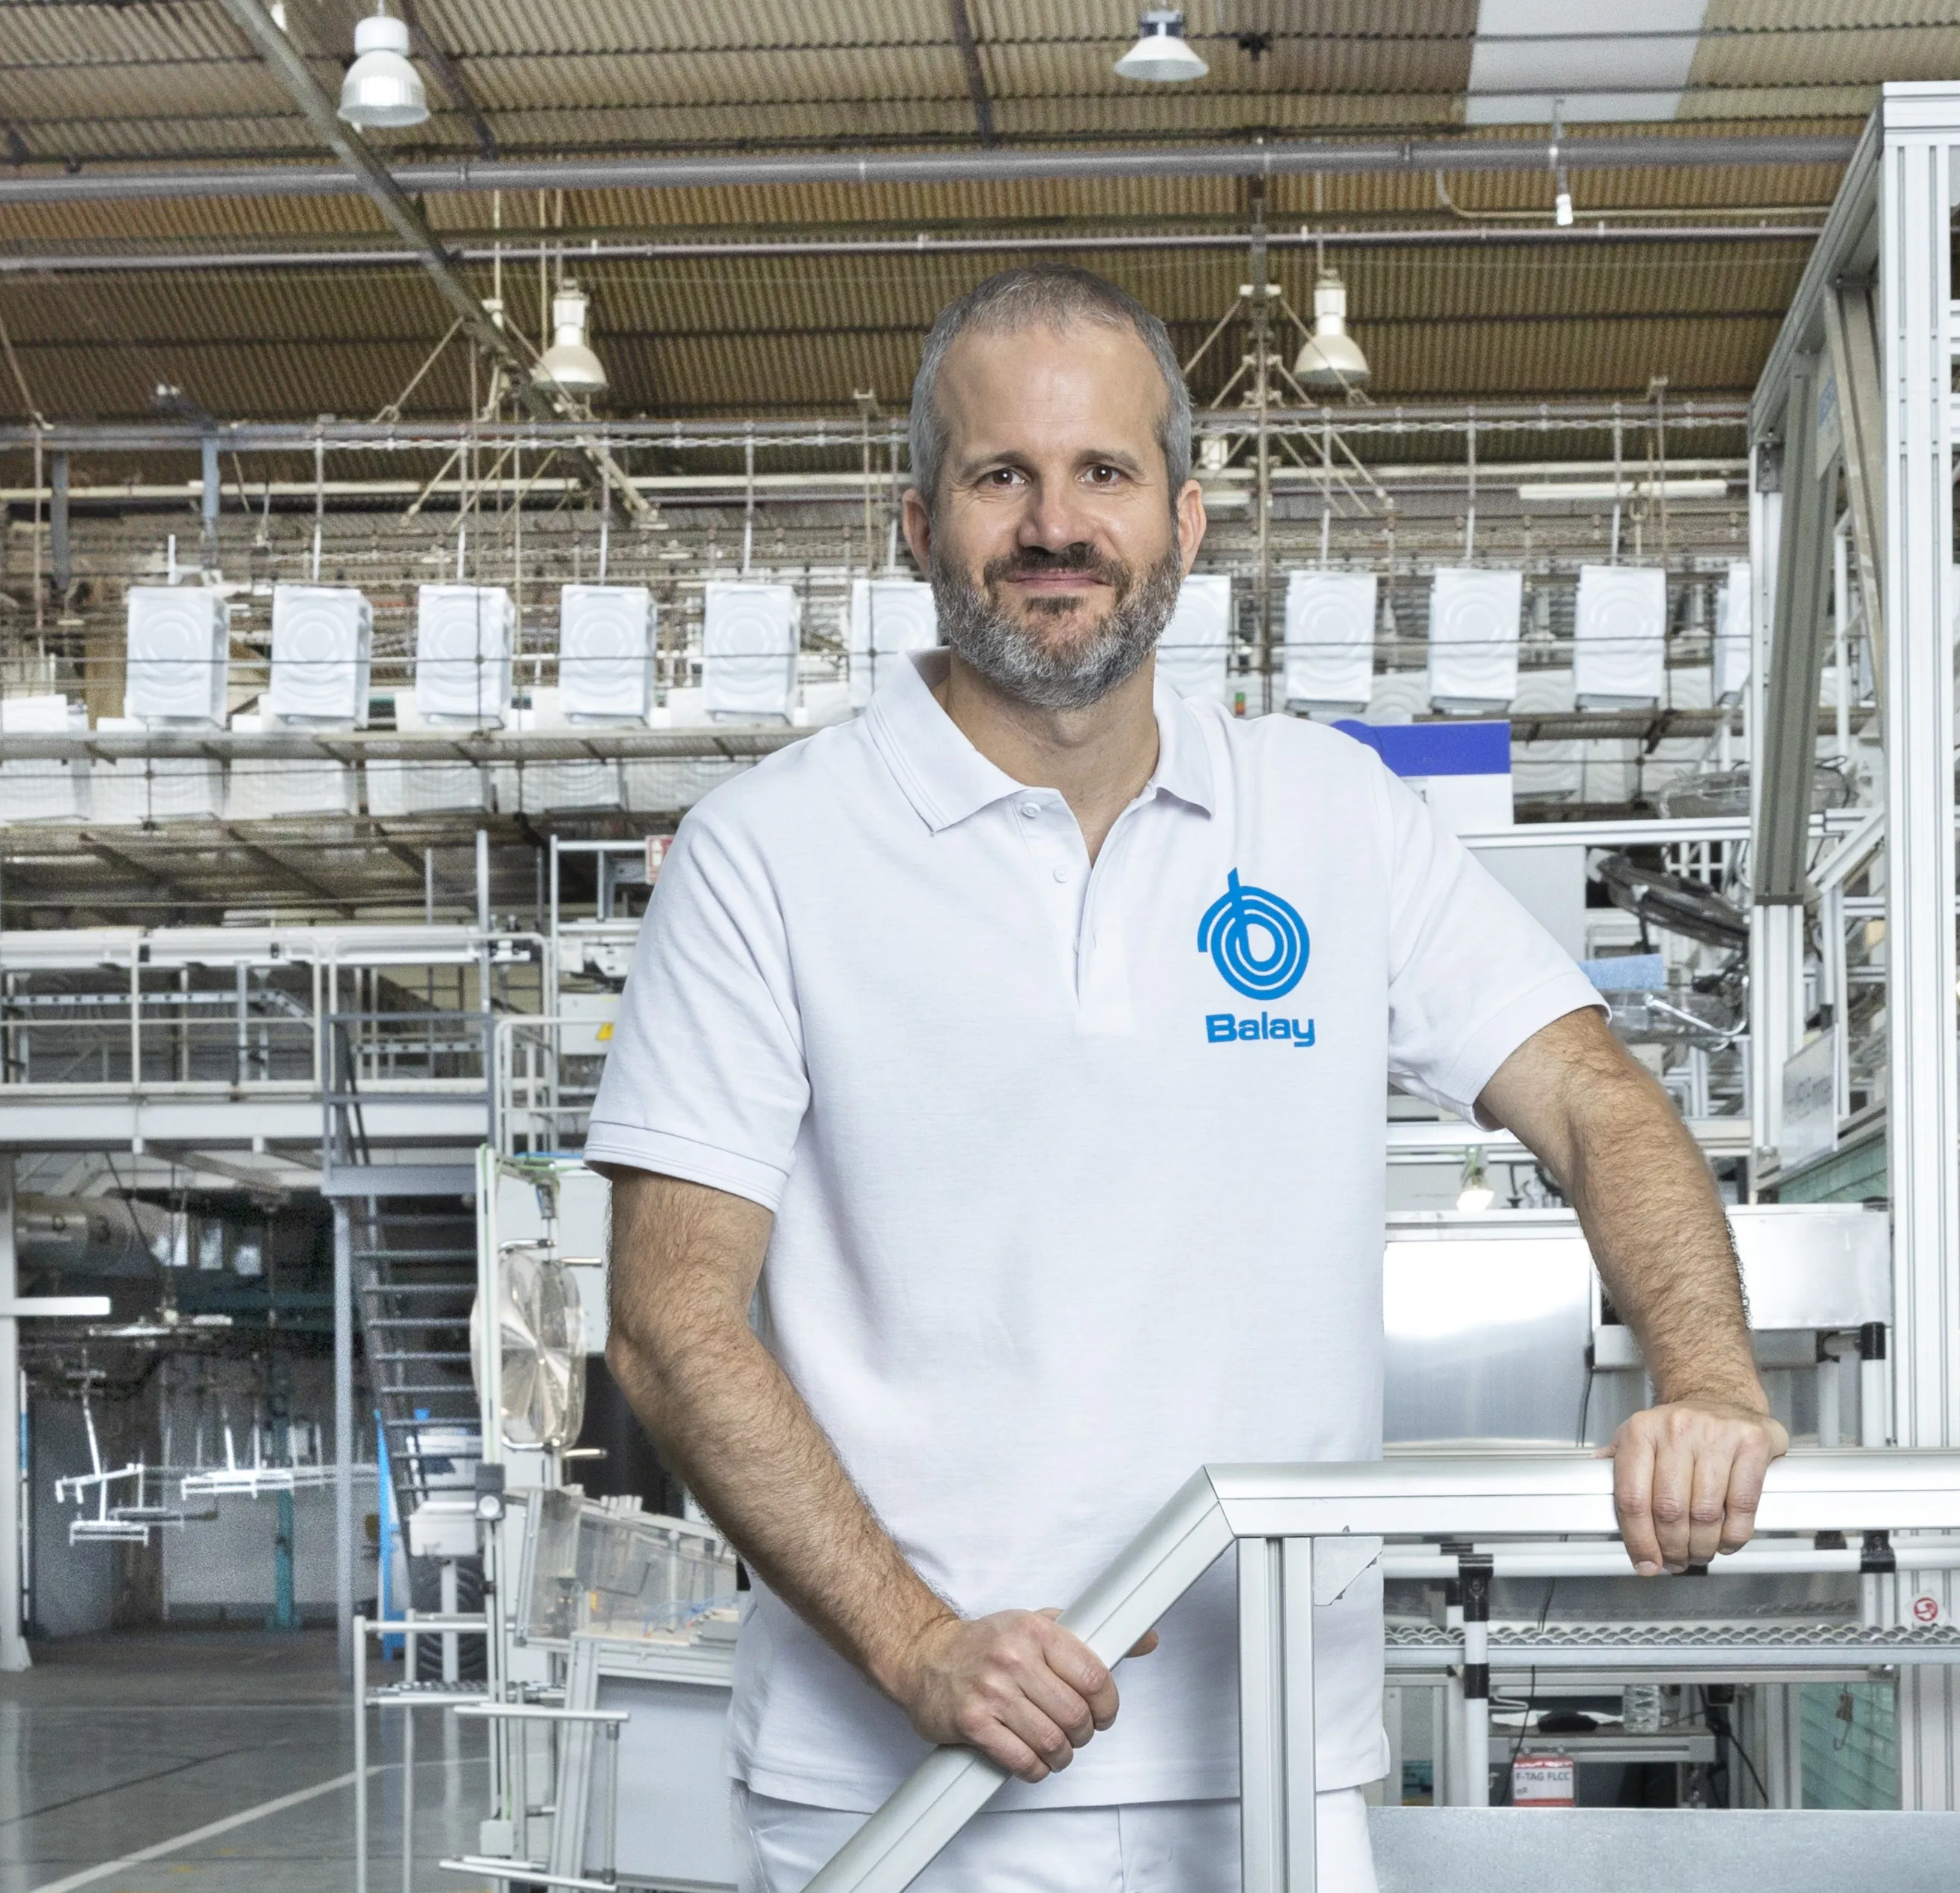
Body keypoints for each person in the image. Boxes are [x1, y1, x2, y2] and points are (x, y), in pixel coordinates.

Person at [588, 264, 1786, 1893]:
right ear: (916, 524)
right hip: (900, 1784)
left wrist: (1705, 1383)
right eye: (999, 475)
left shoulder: (1328, 816)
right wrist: (918, 1643)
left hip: (1274, 1765)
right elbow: (670, 1323)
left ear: (1185, 521)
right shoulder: (769, 853)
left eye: (1104, 471)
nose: (1053, 525)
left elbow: (1592, 1097)